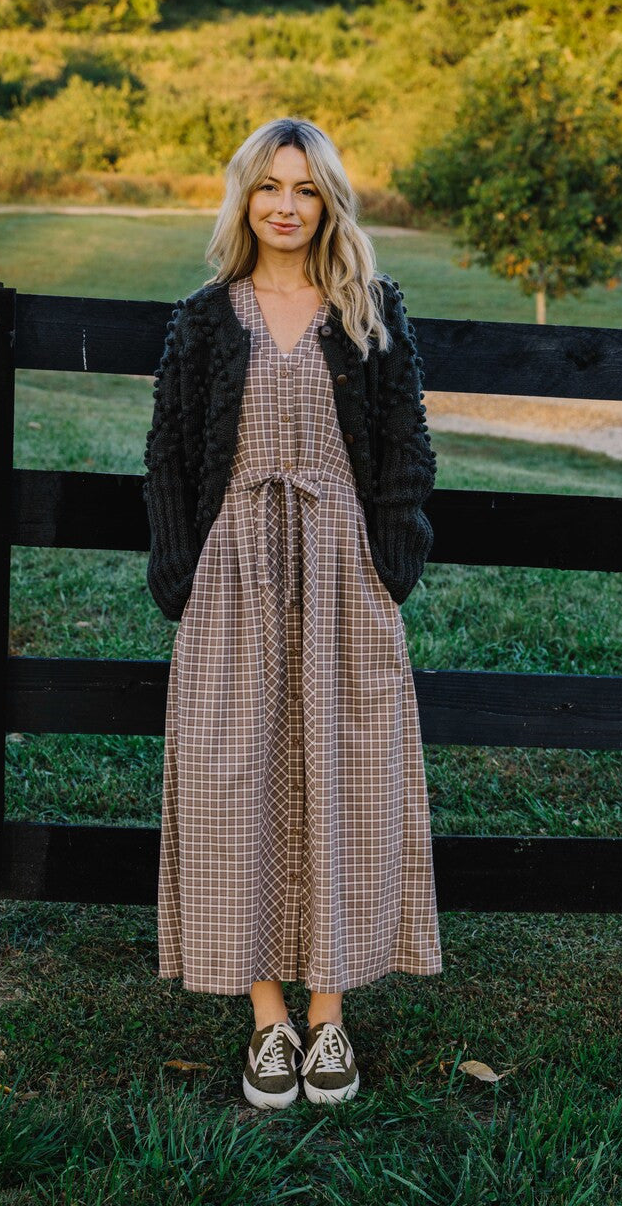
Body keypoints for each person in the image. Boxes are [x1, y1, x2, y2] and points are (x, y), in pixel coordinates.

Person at [142, 116, 442, 1109]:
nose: (284, 204)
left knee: (342, 775)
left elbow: (405, 446)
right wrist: (181, 570)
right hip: (233, 570)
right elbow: (170, 453)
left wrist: (390, 561)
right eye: (269, 185)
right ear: (244, 196)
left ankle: (329, 1011)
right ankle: (263, 1011)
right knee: (237, 775)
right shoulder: (204, 316)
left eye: (305, 188)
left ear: (327, 202)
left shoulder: (368, 308)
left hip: (341, 568)